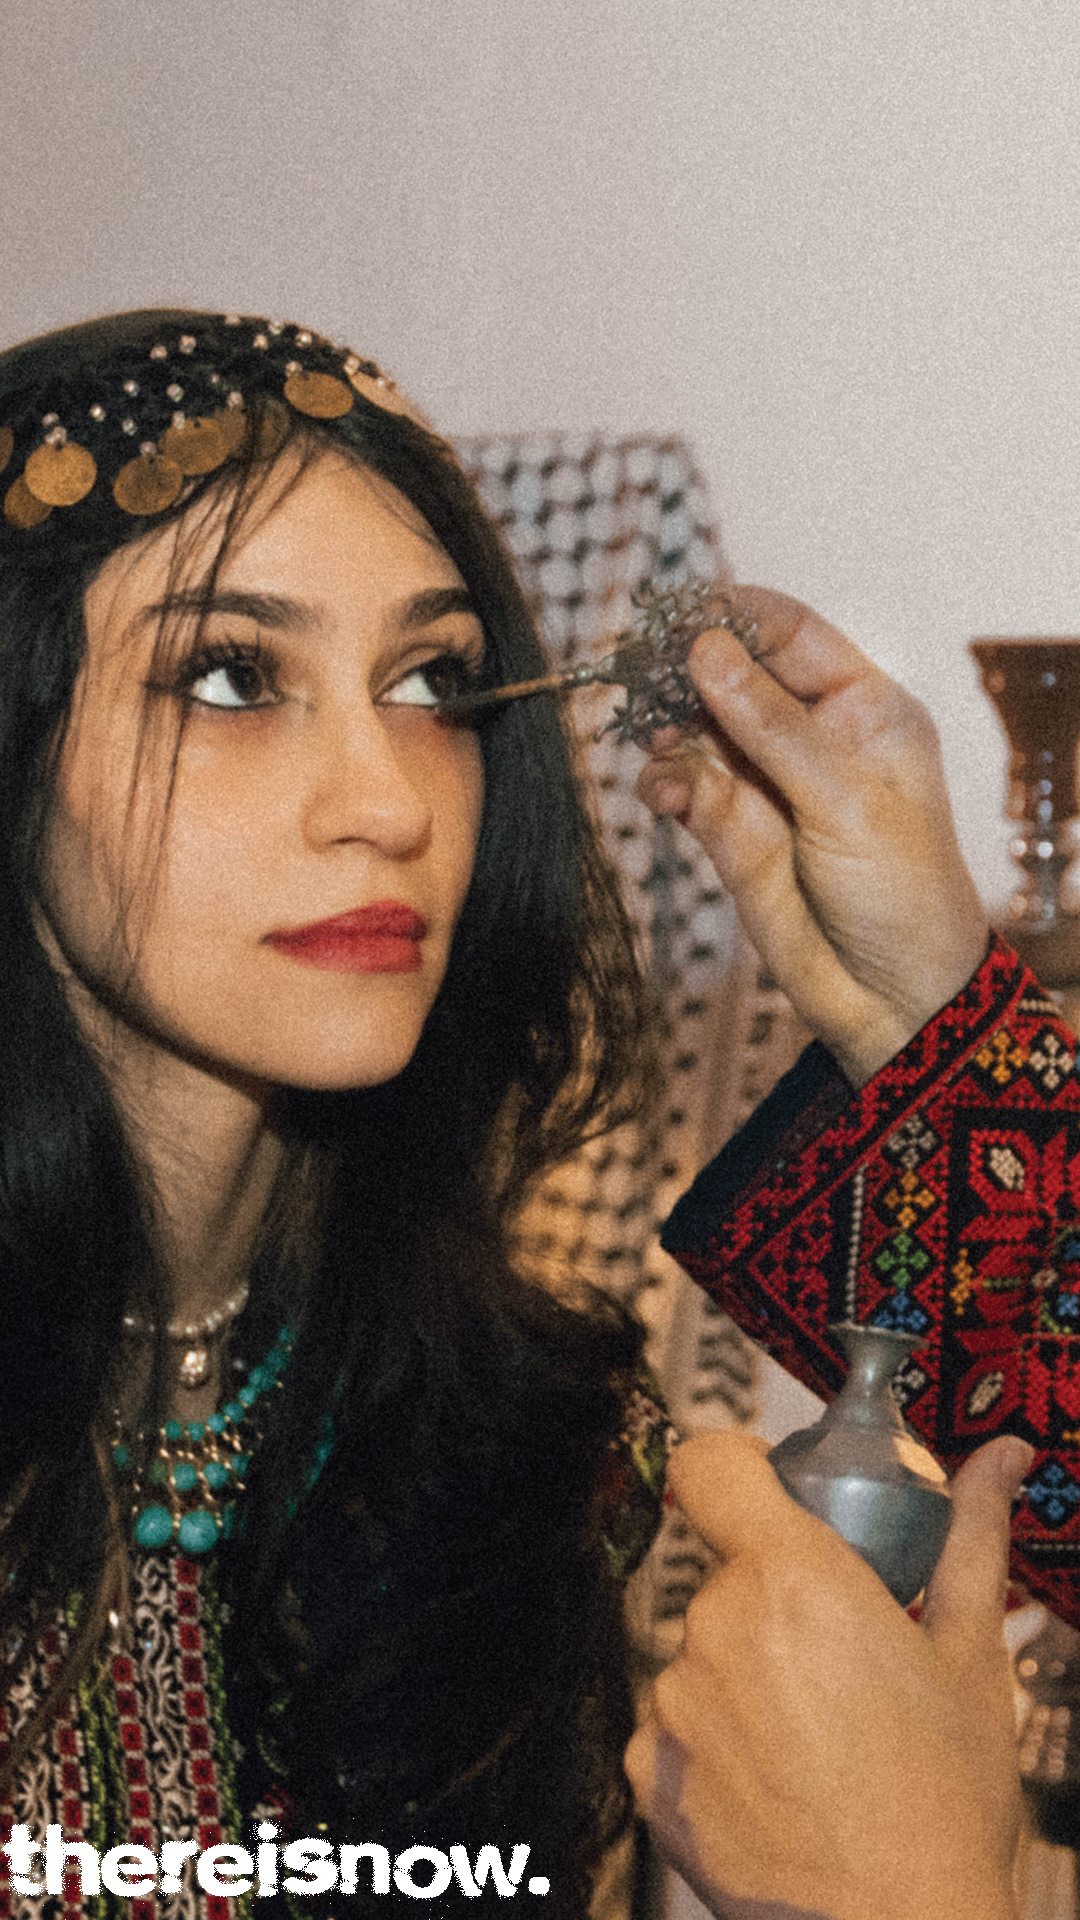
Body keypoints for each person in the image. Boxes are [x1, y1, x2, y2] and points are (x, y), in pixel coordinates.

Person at [0, 308, 1054, 1920]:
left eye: (433, 681)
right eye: (232, 675)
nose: (389, 798)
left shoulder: (516, 1451)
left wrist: (932, 1016)